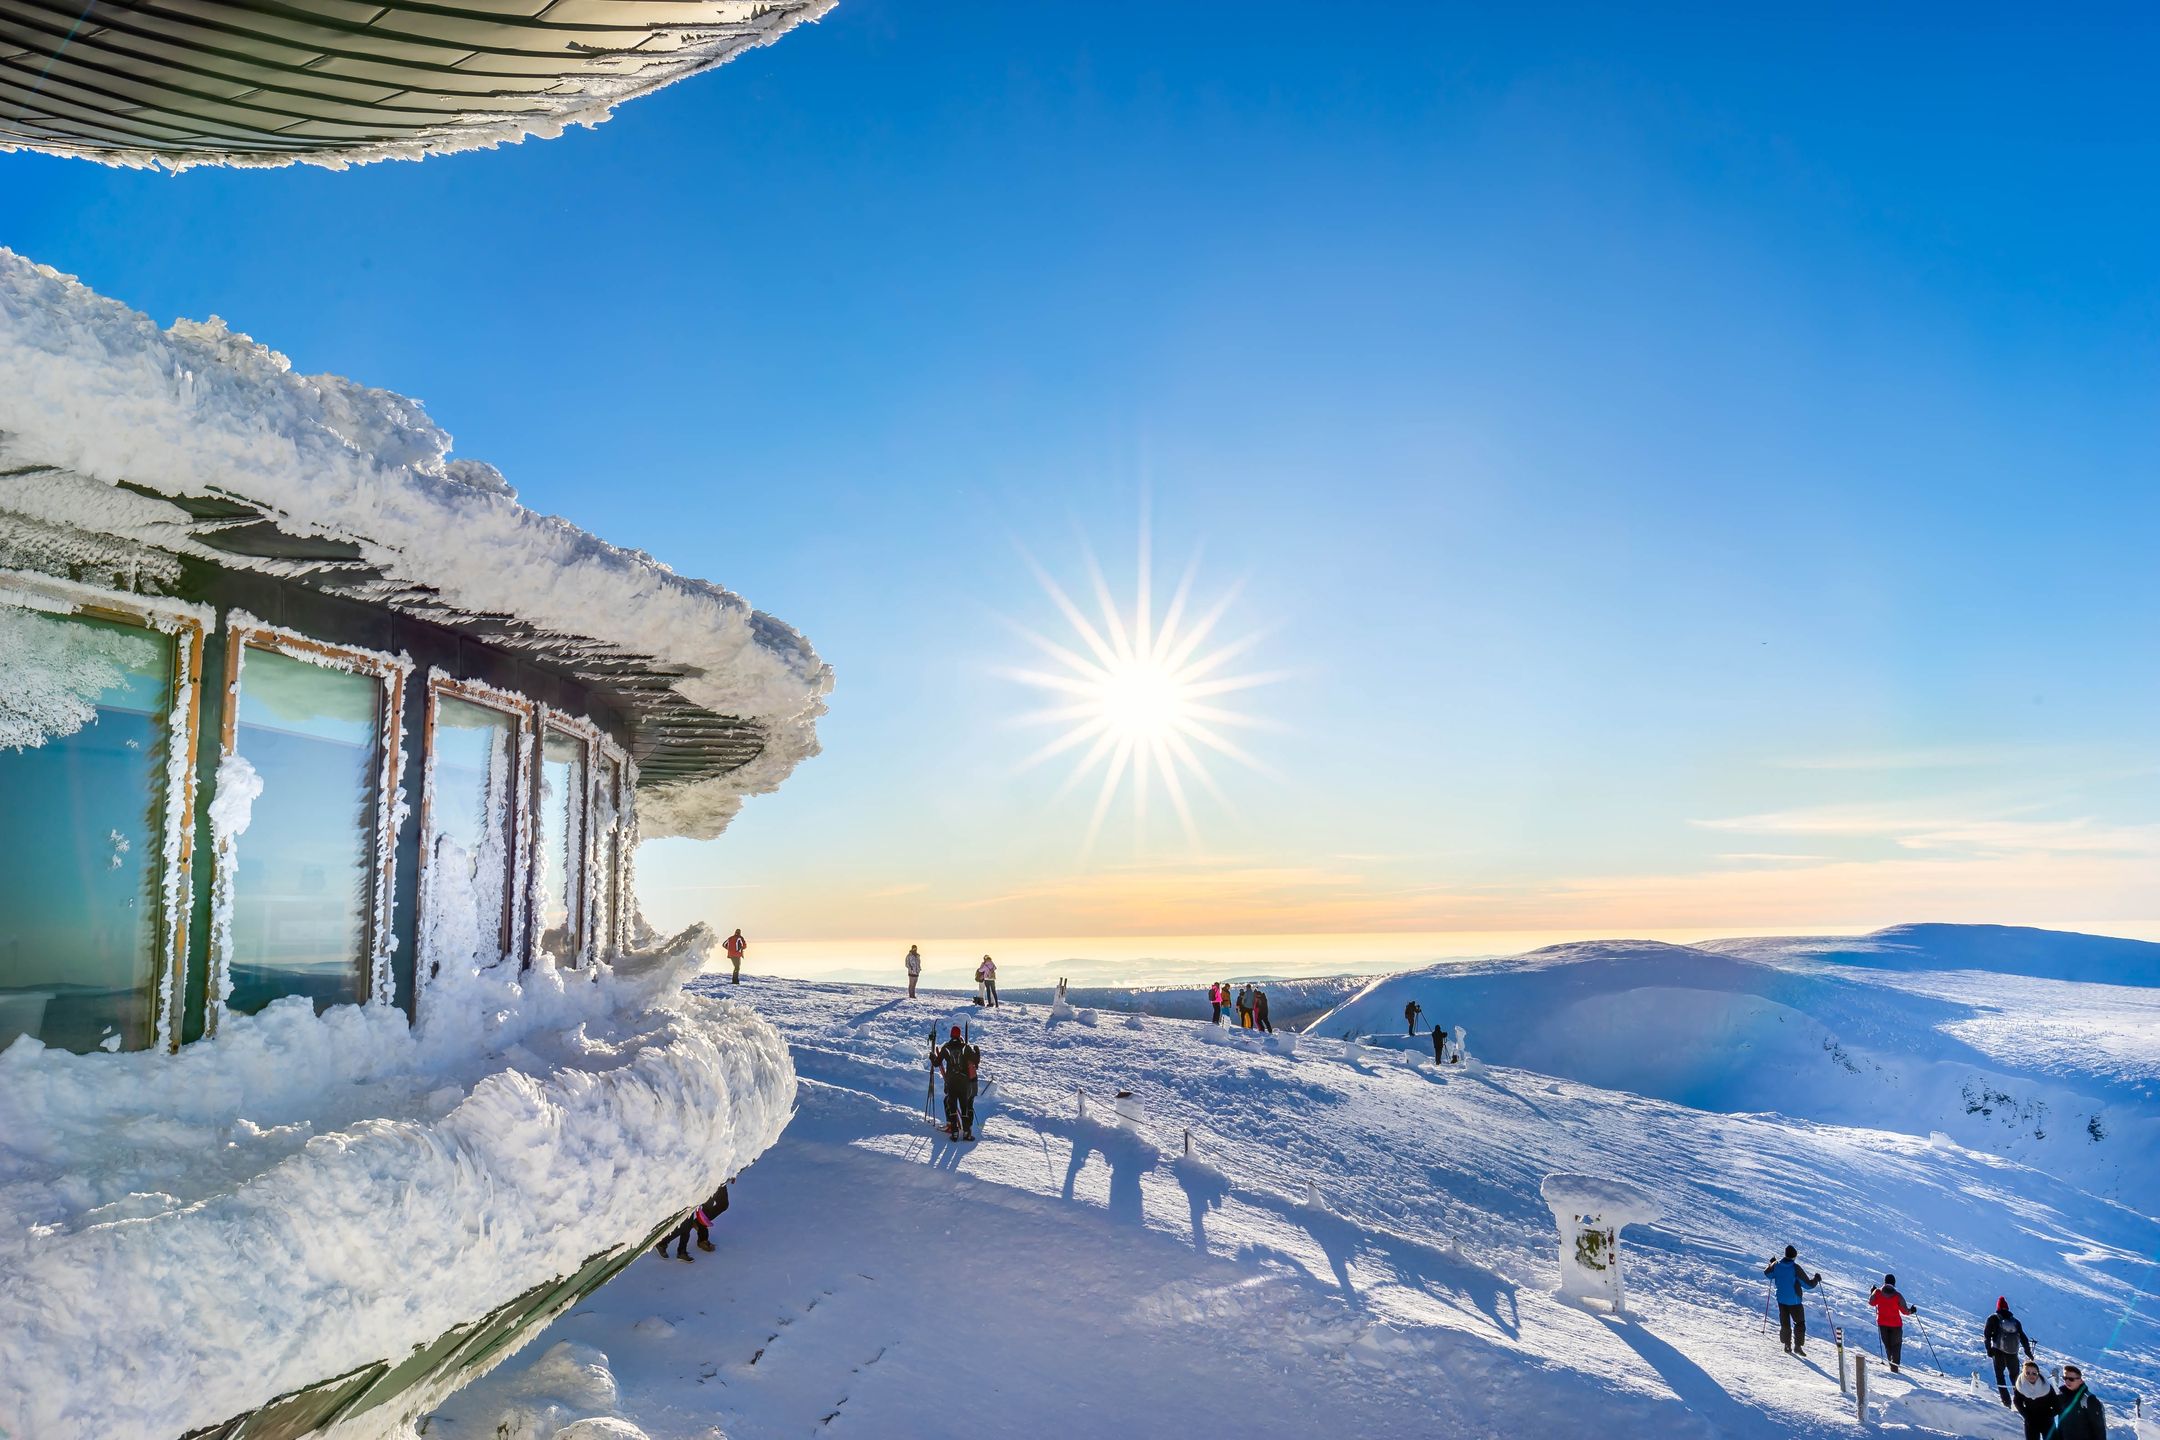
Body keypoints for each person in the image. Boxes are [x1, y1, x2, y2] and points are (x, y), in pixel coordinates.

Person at [1763, 1245, 1822, 1356]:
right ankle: (1797, 1347)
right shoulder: (1795, 1268)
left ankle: (1787, 1345)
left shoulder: (1776, 1265)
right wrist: (1816, 1279)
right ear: (1794, 1256)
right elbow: (1808, 1285)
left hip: (1781, 1299)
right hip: (1794, 1301)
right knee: (1799, 1323)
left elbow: (1768, 1274)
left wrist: (1771, 1263)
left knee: (1785, 1323)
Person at [655, 1181, 730, 1262]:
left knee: (722, 1204)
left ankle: (679, 1249)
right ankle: (666, 1244)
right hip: (701, 1182)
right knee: (688, 1221)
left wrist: (733, 1172)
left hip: (718, 1178)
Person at [1985, 1296, 2037, 1406]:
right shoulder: (2015, 1322)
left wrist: (1989, 1350)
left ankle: (2006, 1402)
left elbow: (1987, 1336)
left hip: (1998, 1352)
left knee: (2000, 1377)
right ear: (2007, 1308)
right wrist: (2028, 1352)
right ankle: (2020, 1402)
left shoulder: (1993, 1319)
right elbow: (2023, 1337)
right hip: (2013, 1354)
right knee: (2015, 1378)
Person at [934, 1024, 980, 1141]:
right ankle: (966, 1133)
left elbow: (936, 1063)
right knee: (964, 1108)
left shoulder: (946, 1047)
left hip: (951, 1082)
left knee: (953, 1107)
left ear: (950, 1035)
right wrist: (977, 1051)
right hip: (963, 1082)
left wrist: (931, 1056)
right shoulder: (966, 1047)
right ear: (959, 1035)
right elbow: (976, 1061)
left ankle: (954, 1133)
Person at [1868, 1274, 1917, 1372]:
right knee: (1896, 1345)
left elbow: (1871, 1302)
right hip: (1896, 1326)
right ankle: (1894, 1367)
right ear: (1894, 1283)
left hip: (1882, 1324)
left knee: (1888, 1345)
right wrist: (1912, 1311)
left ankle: (1891, 1364)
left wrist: (1872, 1291)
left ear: (1885, 1282)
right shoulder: (1897, 1296)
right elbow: (1904, 1311)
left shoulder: (1878, 1292)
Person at [2050, 1365, 2105, 1440]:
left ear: (2080, 1380)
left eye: (2071, 1379)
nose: (2067, 1381)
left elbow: (2099, 1430)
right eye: (2065, 1378)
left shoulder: (2089, 1399)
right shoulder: (2061, 1395)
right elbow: (2049, 1413)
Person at [2010, 1358, 2058, 1440]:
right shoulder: (2020, 1386)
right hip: (2031, 1421)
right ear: (2023, 1373)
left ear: (2038, 1373)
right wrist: (2027, 1416)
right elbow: (2017, 1402)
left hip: (2047, 1420)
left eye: (2034, 1373)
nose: (2031, 1375)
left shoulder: (2046, 1385)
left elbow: (2057, 1404)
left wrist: (2050, 1415)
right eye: (2027, 1373)